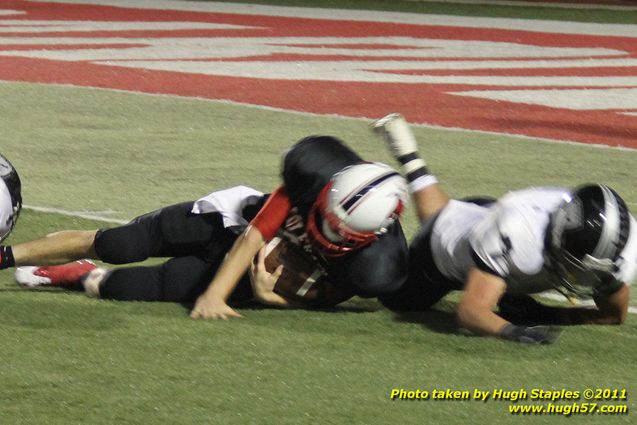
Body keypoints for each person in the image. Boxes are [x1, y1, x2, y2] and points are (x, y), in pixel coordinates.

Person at [3, 136, 409, 319]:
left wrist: (273, 300)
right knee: (120, 243)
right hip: (232, 219)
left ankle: (79, 274)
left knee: (122, 288)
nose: (324, 222)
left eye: (337, 224)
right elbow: (255, 234)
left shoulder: (375, 266)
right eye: (325, 209)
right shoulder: (318, 174)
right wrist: (212, 297)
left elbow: (325, 298)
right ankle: (6, 255)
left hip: (254, 277)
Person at [372, 113, 636, 344]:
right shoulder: (518, 234)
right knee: (398, 297)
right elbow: (470, 312)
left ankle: (411, 158)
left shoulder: (618, 245)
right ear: (559, 240)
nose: (585, 280)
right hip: (446, 245)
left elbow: (613, 316)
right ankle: (382, 215)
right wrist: (511, 332)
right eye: (579, 269)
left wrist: (552, 315)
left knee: (460, 227)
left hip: (489, 223)